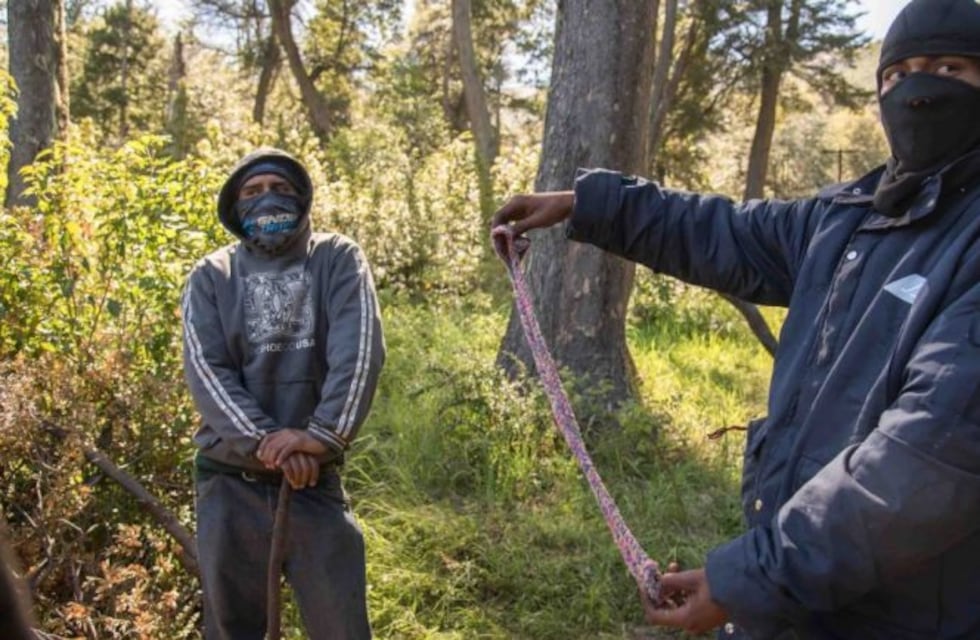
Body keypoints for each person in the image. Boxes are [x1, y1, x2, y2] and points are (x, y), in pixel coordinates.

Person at [491, 0, 980, 637]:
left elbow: (922, 462)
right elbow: (724, 231)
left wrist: (749, 579)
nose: (917, 92)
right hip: (798, 594)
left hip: (907, 615)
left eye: (948, 69)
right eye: (898, 74)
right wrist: (587, 204)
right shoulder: (849, 219)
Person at [181, 148, 385, 639]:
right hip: (230, 484)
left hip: (315, 481)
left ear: (302, 199)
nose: (267, 199)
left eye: (281, 189)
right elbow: (207, 371)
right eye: (252, 192)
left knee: (343, 626)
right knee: (234, 628)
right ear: (235, 207)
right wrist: (270, 444)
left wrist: (321, 435)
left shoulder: (337, 258)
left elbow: (359, 353)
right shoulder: (212, 275)